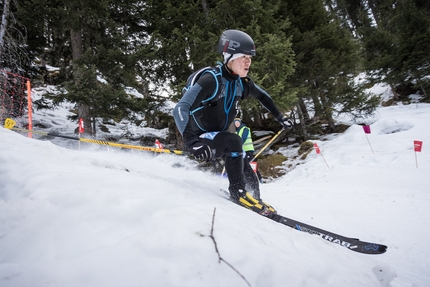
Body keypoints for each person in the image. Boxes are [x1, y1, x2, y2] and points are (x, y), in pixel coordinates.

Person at [173, 29, 293, 217]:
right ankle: (238, 193)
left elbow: (262, 96)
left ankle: (255, 200)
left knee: (245, 164)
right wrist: (192, 142)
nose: (248, 62)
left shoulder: (241, 83)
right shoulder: (211, 80)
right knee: (234, 142)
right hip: (201, 138)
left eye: (250, 58)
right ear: (229, 57)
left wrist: (280, 117)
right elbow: (180, 108)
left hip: (219, 137)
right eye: (243, 57)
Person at [234, 118, 263, 184]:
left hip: (247, 150)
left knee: (250, 164)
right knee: (244, 165)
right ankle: (249, 180)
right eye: (235, 123)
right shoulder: (236, 132)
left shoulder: (245, 129)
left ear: (240, 122)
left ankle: (258, 179)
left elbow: (243, 138)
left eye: (238, 122)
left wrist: (236, 145)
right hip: (241, 151)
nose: (237, 124)